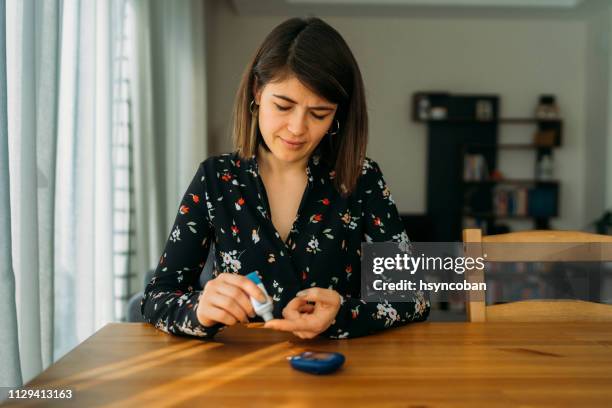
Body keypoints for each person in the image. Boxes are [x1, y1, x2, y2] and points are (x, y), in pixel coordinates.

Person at [141, 17, 430, 340]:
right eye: (283, 106)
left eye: (318, 114)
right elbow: (157, 297)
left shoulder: (362, 179)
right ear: (257, 92)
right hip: (240, 375)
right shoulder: (216, 178)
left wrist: (342, 313)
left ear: (338, 115)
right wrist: (200, 308)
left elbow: (414, 298)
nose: (297, 128)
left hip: (341, 374)